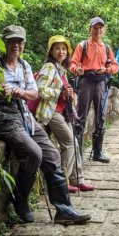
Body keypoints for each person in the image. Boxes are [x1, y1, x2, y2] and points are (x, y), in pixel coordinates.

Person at [0, 25, 91, 225]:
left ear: (24, 44)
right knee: (33, 153)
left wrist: (18, 92)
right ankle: (21, 200)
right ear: (5, 43)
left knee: (52, 155)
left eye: (19, 41)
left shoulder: (25, 66)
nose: (16, 45)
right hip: (1, 117)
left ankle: (64, 209)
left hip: (23, 115)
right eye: (12, 41)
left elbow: (34, 94)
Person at [35, 35, 95, 192]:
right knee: (69, 142)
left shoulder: (60, 69)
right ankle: (63, 182)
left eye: (63, 49)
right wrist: (60, 93)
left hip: (63, 112)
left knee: (74, 143)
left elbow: (66, 90)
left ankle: (77, 179)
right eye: (57, 48)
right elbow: (39, 90)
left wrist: (71, 94)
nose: (61, 51)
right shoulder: (49, 67)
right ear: (51, 51)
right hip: (51, 112)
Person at [70, 17, 119, 163]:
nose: (98, 30)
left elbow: (116, 66)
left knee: (101, 116)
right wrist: (77, 69)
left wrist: (107, 69)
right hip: (86, 81)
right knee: (80, 116)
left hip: (100, 82)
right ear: (90, 29)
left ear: (104, 30)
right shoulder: (82, 45)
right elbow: (72, 64)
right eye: (95, 27)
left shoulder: (107, 48)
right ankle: (78, 154)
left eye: (100, 28)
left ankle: (98, 152)